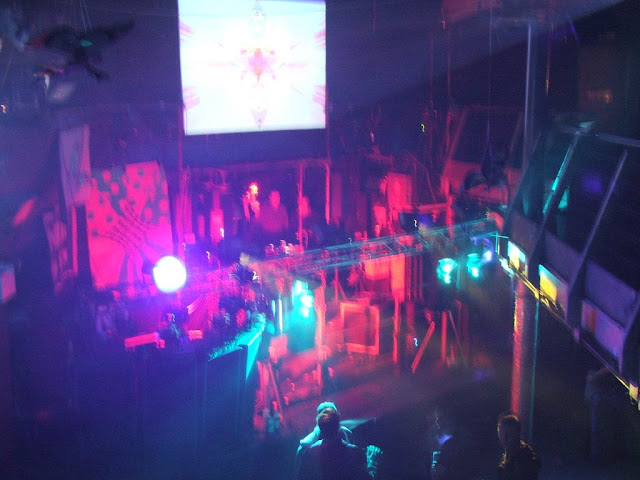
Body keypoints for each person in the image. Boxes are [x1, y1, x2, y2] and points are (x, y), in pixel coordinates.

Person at [296, 406, 369, 480]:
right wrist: (372, 462)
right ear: (338, 426)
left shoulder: (311, 453)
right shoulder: (355, 452)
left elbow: (302, 476)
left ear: (320, 428)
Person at [496, 412, 541, 480]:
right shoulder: (509, 456)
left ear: (517, 434)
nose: (505, 438)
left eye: (510, 434)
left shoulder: (524, 460)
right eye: (502, 433)